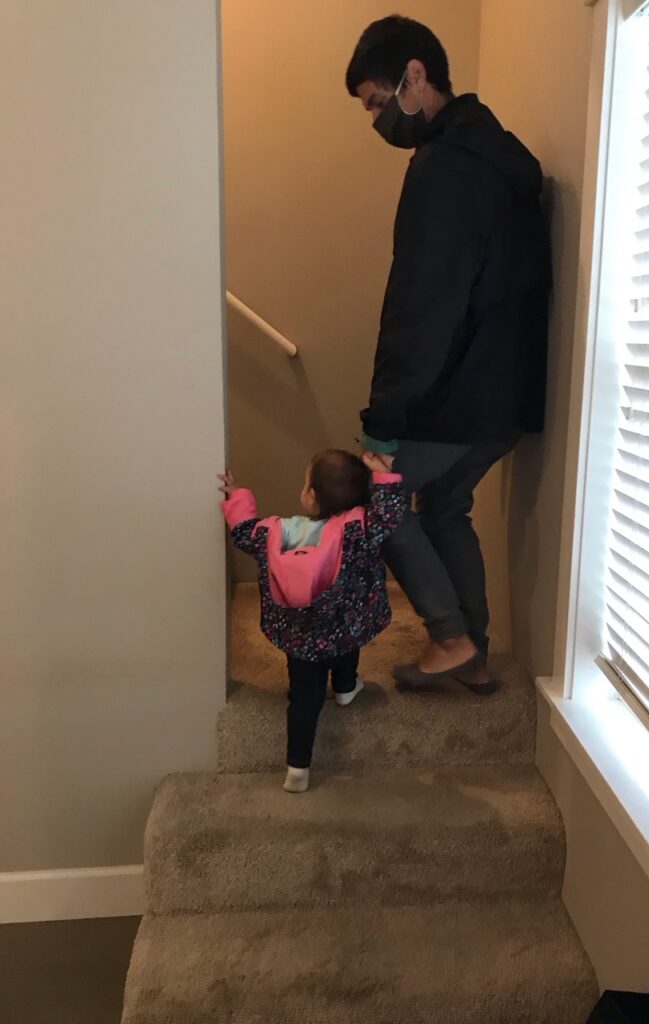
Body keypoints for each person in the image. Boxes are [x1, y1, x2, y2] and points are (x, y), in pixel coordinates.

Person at [346, 15, 551, 695]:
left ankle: (449, 636)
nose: (376, 120)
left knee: (375, 499)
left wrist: (383, 421)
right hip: (506, 394)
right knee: (444, 507)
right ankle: (475, 655)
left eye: (378, 102)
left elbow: (421, 303)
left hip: (454, 391)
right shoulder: (501, 158)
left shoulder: (443, 169)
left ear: (415, 76)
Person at [218, 451, 406, 793]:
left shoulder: (277, 533)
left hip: (301, 636)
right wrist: (384, 476)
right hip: (346, 626)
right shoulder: (359, 528)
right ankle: (346, 688)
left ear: (311, 496)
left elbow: (243, 531)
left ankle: (297, 767)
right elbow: (389, 515)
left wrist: (237, 496)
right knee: (347, 648)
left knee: (304, 698)